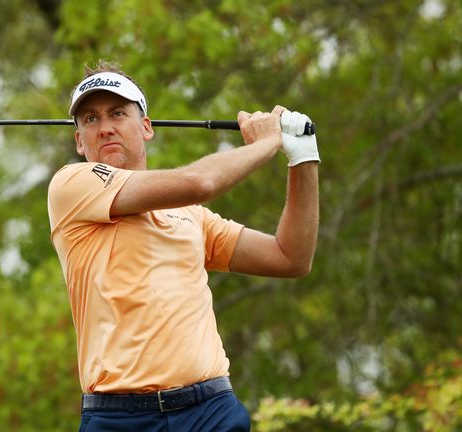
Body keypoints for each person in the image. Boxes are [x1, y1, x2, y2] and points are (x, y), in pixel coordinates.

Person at [47, 60, 319, 432]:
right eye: (90, 120)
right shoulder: (71, 186)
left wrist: (302, 158)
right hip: (120, 419)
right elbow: (200, 182)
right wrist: (270, 140)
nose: (106, 127)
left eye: (117, 113)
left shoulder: (191, 216)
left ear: (146, 127)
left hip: (211, 411)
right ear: (79, 141)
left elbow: (291, 257)